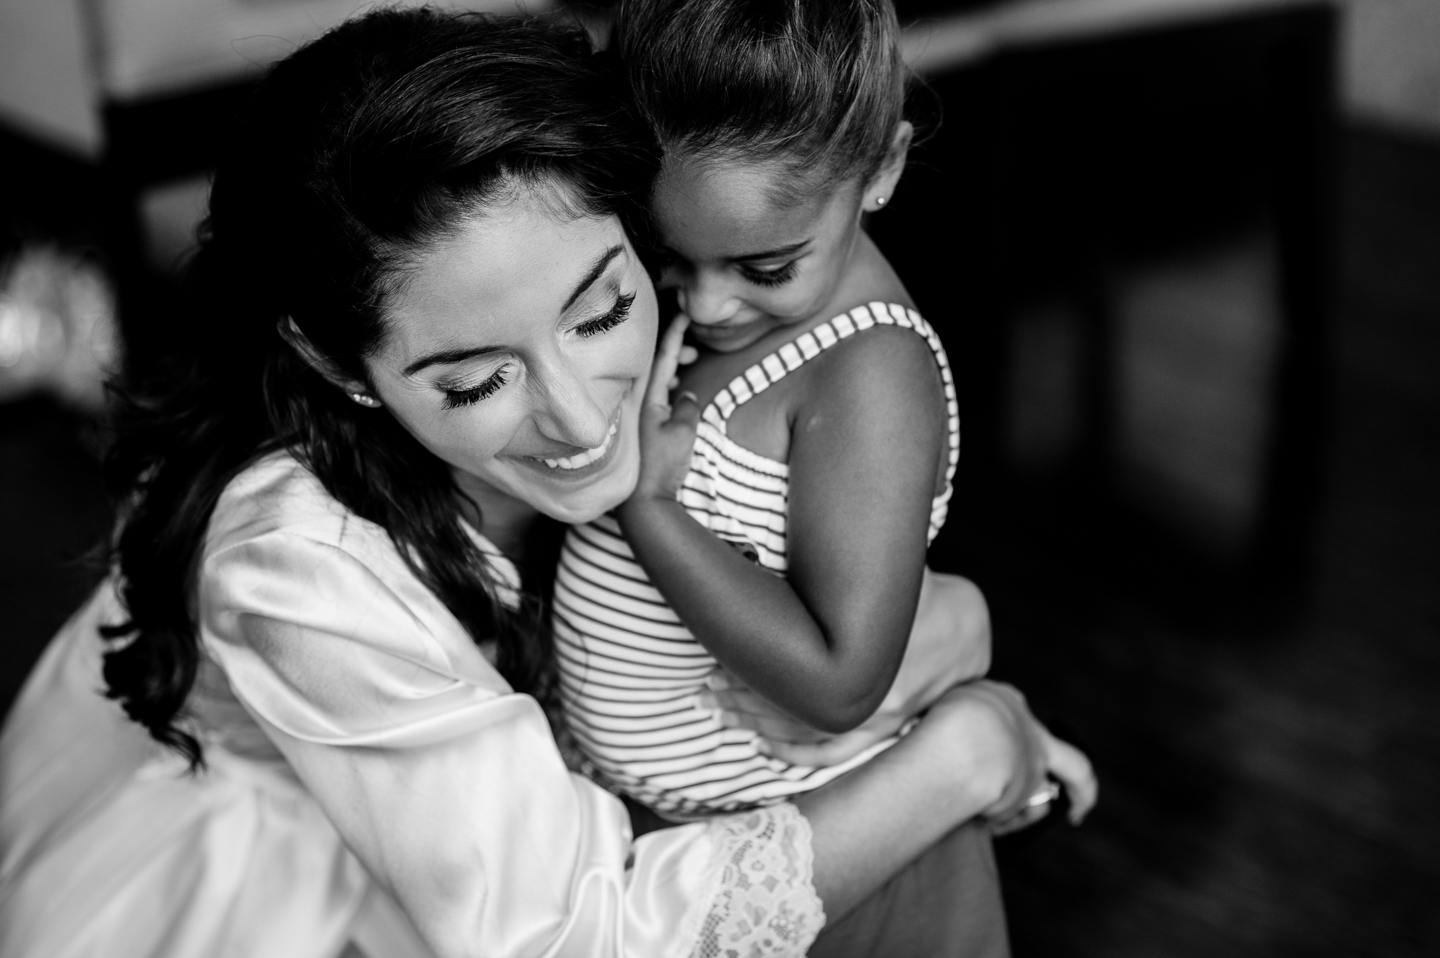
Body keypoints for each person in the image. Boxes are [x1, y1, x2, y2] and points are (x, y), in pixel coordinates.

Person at [1, 9, 1061, 958]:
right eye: (475, 380)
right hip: (312, 888)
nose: (579, 414)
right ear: (337, 366)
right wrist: (959, 758)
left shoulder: (702, 304)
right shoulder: (296, 567)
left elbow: (802, 622)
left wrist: (954, 625)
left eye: (600, 310)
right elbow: (563, 932)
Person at [552, 0, 1097, 819]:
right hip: (630, 805)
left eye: (765, 268)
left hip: (784, 824)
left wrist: (649, 506)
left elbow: (841, 682)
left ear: (882, 168)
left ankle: (1011, 764)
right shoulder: (718, 289)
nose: (703, 304)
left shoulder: (870, 375)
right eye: (667, 253)